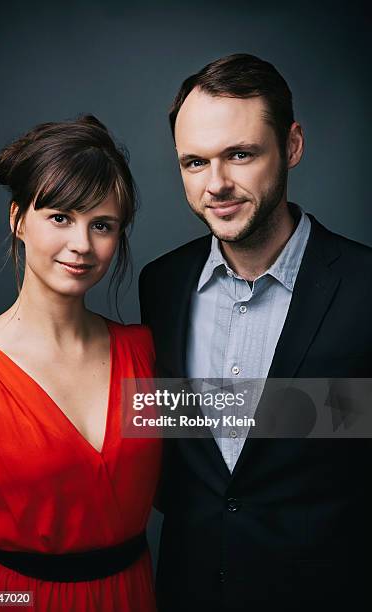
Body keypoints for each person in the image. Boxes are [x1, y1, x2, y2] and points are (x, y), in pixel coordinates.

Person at [139, 54, 372, 611]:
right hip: (186, 593)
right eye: (194, 163)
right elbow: (176, 449)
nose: (215, 184)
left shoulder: (366, 286)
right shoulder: (162, 284)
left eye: (239, 155)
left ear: (291, 146)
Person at [0, 114, 161, 611]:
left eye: (102, 225)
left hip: (133, 596)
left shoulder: (146, 354)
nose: (81, 244)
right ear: (17, 220)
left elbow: (256, 420)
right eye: (60, 217)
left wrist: (355, 410)